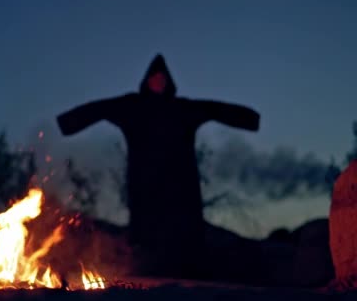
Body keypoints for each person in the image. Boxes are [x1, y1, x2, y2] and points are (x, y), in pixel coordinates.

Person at [56, 54, 260, 278]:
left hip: (182, 192)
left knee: (186, 246)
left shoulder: (182, 109)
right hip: (145, 190)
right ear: (147, 81)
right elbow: (101, 109)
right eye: (155, 78)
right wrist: (67, 123)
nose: (159, 82)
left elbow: (214, 109)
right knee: (146, 248)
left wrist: (250, 119)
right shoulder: (132, 107)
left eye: (163, 79)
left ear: (169, 82)